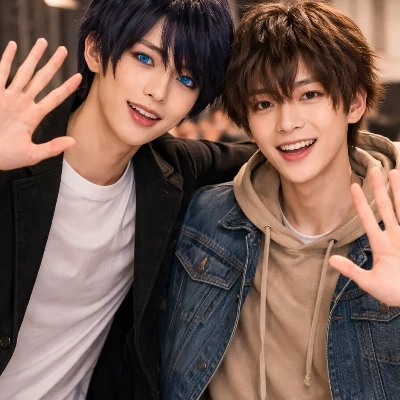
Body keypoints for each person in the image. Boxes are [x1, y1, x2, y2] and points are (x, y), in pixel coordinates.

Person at [0, 0, 256, 399]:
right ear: (95, 50)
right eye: (144, 58)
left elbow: (272, 152)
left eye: (186, 79)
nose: (158, 92)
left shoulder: (170, 171)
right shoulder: (13, 157)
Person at [160, 1, 400, 399]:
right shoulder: (208, 218)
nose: (287, 123)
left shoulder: (394, 228)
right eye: (264, 104)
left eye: (310, 94)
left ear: (355, 103)